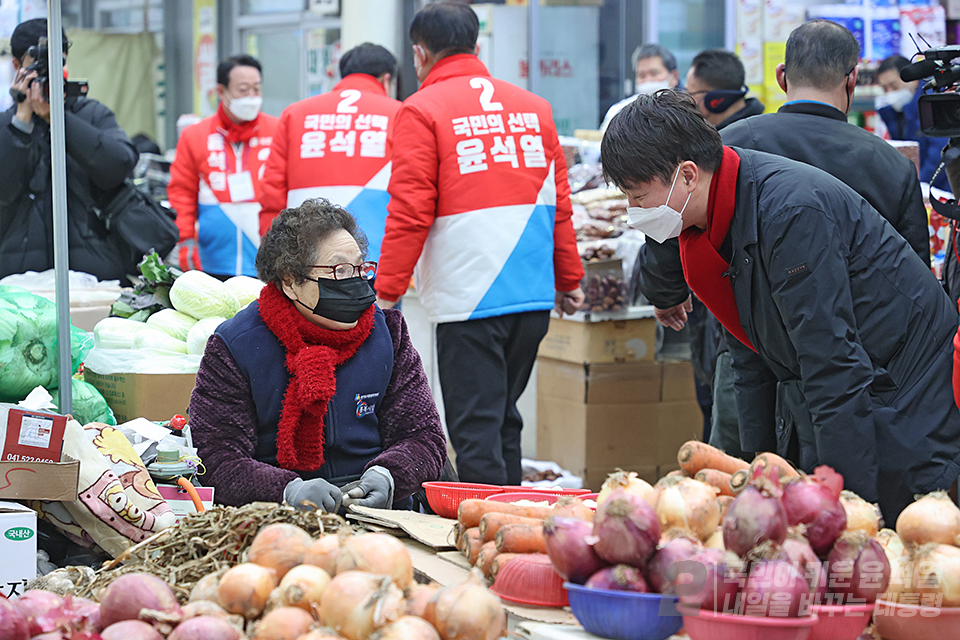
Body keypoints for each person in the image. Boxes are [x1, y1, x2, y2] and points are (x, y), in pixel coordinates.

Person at [602, 88, 960, 523]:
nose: (632, 209)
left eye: (638, 197)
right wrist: (759, 465)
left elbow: (833, 364)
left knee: (889, 538)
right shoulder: (710, 221)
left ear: (688, 175)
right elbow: (749, 347)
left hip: (905, 393)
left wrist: (845, 508)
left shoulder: (789, 212)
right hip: (847, 388)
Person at [638, 20, 932, 460]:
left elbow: (675, 226)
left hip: (752, 359)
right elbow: (913, 276)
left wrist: (665, 294)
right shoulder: (889, 164)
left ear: (780, 77)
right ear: (852, 79)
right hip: (862, 374)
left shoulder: (732, 145)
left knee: (745, 490)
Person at [375, 2, 584, 486]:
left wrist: (387, 293)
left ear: (420, 53)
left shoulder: (421, 110)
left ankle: (490, 543)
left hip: (470, 297)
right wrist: (570, 278)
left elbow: (410, 210)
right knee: (504, 419)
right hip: (531, 294)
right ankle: (516, 530)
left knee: (475, 431)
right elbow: (560, 203)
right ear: (476, 45)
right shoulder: (535, 108)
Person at [190, 199, 447, 511]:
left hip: (381, 514)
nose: (356, 282)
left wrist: (389, 476)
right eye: (339, 270)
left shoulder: (388, 335)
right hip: (278, 519)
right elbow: (217, 457)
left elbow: (424, 436)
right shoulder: (236, 346)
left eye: (361, 267)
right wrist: (286, 491)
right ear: (290, 282)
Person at [0, 18, 139, 281]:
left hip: (92, 275)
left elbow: (120, 165)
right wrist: (21, 123)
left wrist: (58, 119)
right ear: (17, 66)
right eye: (39, 65)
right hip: (16, 279)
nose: (50, 72)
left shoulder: (92, 114)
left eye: (58, 62)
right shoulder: (6, 125)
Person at [259, 44, 400, 261]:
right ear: (386, 79)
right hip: (375, 258)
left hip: (306, 259)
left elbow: (272, 192)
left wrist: (274, 254)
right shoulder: (400, 114)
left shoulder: (295, 115)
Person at [167, 55, 279, 278]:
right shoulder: (196, 136)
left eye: (256, 89)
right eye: (243, 89)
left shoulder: (277, 131)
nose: (251, 97)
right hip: (212, 260)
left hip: (266, 259)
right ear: (221, 92)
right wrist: (186, 239)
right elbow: (182, 193)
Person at [876, 54, 950, 191]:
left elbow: (939, 154)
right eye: (885, 88)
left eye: (894, 86)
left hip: (943, 189)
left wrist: (917, 187)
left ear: (914, 81)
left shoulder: (933, 103)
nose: (890, 93)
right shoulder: (896, 112)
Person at [600, 44, 680, 132]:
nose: (648, 80)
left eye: (654, 73)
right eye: (641, 76)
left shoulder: (685, 112)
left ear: (674, 77)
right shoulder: (618, 112)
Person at [685, 49, 764, 129]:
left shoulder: (731, 139)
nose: (686, 99)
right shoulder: (760, 127)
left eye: (690, 93)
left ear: (714, 100)